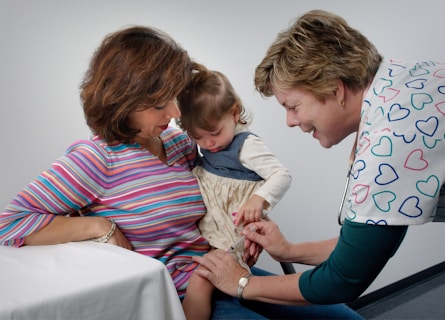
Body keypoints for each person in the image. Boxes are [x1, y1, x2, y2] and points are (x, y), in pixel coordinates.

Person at [0, 24, 363, 319]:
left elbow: (221, 193)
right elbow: (10, 222)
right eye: (161, 104)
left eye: (175, 97)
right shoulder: (95, 159)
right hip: (180, 297)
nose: (175, 112)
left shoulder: (180, 144)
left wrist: (245, 230)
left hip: (224, 272)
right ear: (122, 101)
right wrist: (100, 226)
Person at [193, 9, 445, 307]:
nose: (289, 120)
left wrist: (241, 282)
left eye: (293, 106)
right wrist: (288, 250)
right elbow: (366, 249)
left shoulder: (386, 143)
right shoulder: (405, 80)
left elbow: (341, 281)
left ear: (335, 89)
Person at [177, 64, 292, 319]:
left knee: (201, 280)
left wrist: (259, 199)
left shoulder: (246, 146)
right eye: (198, 137)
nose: (208, 143)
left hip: (233, 229)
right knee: (203, 274)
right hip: (212, 230)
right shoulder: (210, 145)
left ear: (235, 112)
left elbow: (281, 175)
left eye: (214, 133)